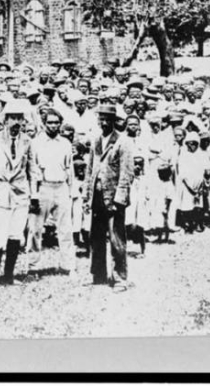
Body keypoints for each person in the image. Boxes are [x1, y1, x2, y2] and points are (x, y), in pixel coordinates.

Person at [0, 99, 38, 287]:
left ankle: (8, 275)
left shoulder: (27, 141)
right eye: (12, 118)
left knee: (15, 235)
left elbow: (32, 169)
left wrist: (34, 195)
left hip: (21, 194)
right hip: (0, 192)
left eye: (19, 118)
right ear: (5, 120)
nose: (16, 122)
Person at [83, 104, 133, 291]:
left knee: (116, 238)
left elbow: (127, 173)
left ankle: (120, 278)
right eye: (101, 119)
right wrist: (87, 196)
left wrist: (119, 200)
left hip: (113, 198)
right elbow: (90, 170)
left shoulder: (123, 142)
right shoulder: (95, 141)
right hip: (97, 196)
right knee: (96, 236)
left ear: (114, 121)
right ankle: (98, 275)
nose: (104, 122)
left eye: (107, 119)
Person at [26, 108, 76, 275]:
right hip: (43, 188)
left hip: (61, 187)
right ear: (43, 123)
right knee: (35, 229)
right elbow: (33, 171)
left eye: (56, 122)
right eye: (50, 123)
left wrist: (71, 191)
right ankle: (33, 266)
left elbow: (70, 169)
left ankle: (67, 265)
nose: (53, 126)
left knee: (65, 229)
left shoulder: (66, 143)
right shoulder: (36, 143)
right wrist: (33, 195)